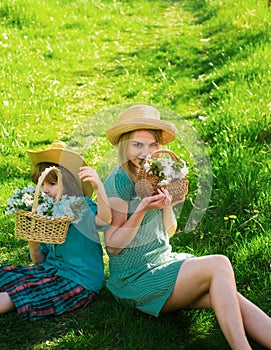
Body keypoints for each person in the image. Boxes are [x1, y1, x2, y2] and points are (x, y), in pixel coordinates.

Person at [103, 105, 271, 350]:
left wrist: (170, 204)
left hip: (162, 261)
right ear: (124, 146)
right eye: (137, 145)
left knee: (227, 296)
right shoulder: (119, 181)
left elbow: (168, 232)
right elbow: (113, 246)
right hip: (134, 278)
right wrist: (141, 210)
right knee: (219, 264)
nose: (145, 152)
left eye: (152, 145)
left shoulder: (155, 174)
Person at [0, 141, 111, 321]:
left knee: (19, 294)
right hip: (50, 270)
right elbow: (39, 259)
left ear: (68, 182)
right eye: (41, 184)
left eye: (52, 183)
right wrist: (34, 245)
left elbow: (104, 220)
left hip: (78, 280)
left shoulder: (80, 207)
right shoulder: (46, 213)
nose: (45, 190)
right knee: (5, 274)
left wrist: (99, 187)